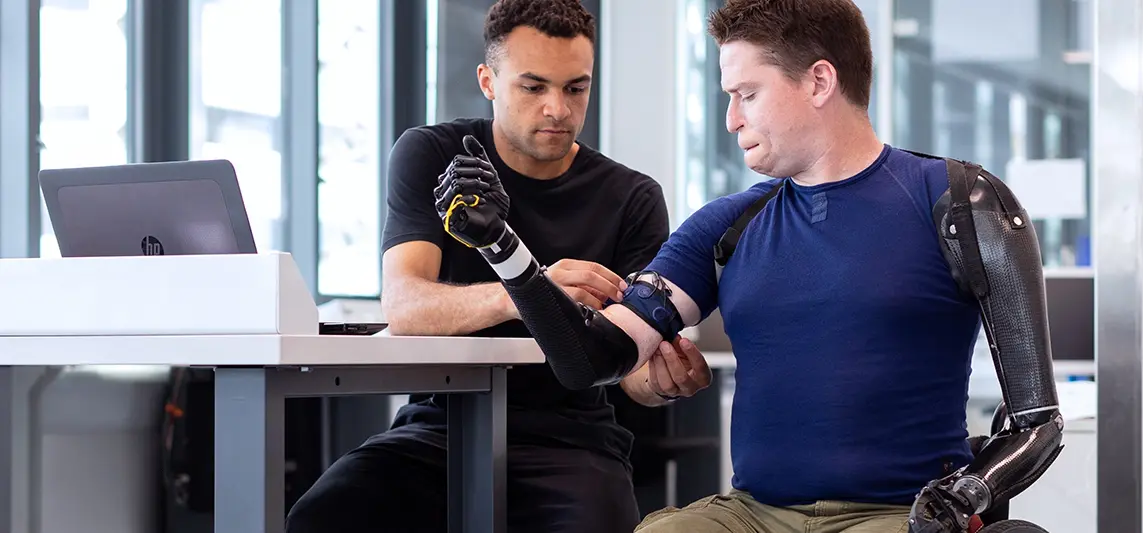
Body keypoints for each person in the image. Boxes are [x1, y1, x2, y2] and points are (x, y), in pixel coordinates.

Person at [435, 0, 1066, 532]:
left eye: (747, 94)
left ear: (819, 83)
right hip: (753, 515)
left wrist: (967, 494)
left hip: (895, 515)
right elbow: (594, 360)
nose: (731, 118)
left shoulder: (960, 203)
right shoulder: (726, 226)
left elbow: (1037, 424)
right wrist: (504, 250)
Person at [283, 1, 705, 532]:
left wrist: (661, 382)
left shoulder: (633, 197)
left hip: (571, 440)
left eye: (576, 88)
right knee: (321, 517)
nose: (557, 109)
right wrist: (532, 291)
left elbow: (633, 373)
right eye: (533, 87)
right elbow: (406, 305)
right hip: (439, 426)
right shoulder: (436, 156)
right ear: (488, 81)